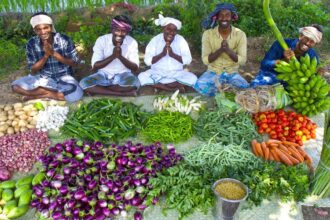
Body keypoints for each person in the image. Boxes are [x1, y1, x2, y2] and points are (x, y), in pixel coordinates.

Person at [12, 12, 83, 102]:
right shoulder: (31, 43)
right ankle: (51, 94)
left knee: (76, 94)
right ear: (34, 30)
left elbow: (75, 63)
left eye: (46, 28)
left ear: (51, 27)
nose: (43, 32)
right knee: (15, 87)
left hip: (64, 78)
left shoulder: (64, 39)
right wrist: (46, 55)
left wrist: (53, 53)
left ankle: (40, 95)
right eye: (38, 29)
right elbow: (33, 70)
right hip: (44, 79)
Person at [194, 3, 248, 97]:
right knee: (200, 86)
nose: (224, 18)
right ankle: (225, 92)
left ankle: (222, 90)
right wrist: (220, 50)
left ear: (232, 17)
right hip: (213, 73)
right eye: (221, 15)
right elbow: (205, 60)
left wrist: (227, 50)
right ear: (216, 17)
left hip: (232, 73)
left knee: (245, 88)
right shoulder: (208, 34)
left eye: (227, 15)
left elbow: (242, 60)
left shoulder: (240, 34)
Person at [79, 15, 139, 96]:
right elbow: (95, 66)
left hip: (124, 75)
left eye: (124, 31)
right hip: (103, 74)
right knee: (83, 83)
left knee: (134, 83)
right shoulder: (101, 40)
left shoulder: (132, 42)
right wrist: (113, 56)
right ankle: (121, 93)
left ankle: (100, 90)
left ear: (127, 32)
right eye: (117, 30)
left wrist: (120, 57)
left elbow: (135, 68)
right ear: (112, 29)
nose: (120, 34)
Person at [138, 14, 197, 92]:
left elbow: (188, 60)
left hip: (176, 74)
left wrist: (173, 55)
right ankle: (171, 88)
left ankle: (160, 86)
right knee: (142, 76)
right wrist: (162, 54)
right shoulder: (155, 40)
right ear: (163, 28)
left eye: (174, 30)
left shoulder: (180, 40)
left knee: (193, 78)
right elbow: (147, 61)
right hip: (158, 73)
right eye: (168, 29)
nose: (171, 32)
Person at [251, 24, 323, 87]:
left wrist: (317, 74)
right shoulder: (281, 44)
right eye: (306, 38)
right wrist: (283, 61)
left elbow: (310, 79)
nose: (308, 43)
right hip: (269, 77)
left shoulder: (312, 57)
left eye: (312, 41)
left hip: (291, 85)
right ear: (300, 36)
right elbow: (264, 64)